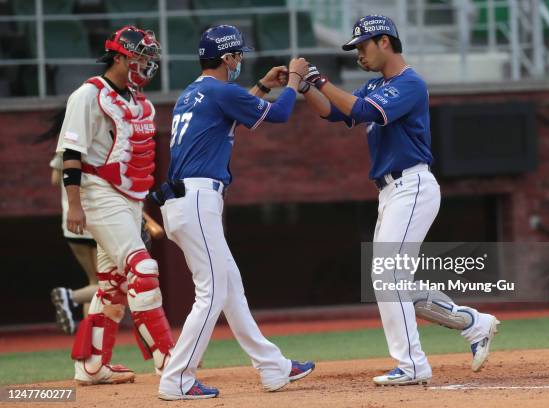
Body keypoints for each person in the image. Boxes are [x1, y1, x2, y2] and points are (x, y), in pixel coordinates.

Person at [299, 15, 500, 385]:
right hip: (391, 192)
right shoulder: (377, 84)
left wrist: (317, 78)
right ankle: (473, 323)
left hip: (413, 185)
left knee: (385, 276)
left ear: (385, 42)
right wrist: (304, 87)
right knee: (395, 281)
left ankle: (412, 365)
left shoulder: (409, 83)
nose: (359, 54)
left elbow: (362, 112)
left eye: (363, 46)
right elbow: (335, 113)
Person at [155, 25, 314, 400]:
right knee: (210, 293)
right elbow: (277, 117)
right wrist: (293, 81)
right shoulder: (218, 91)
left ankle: (272, 367)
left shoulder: (194, 92)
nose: (239, 60)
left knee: (230, 288)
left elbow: (232, 113)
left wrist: (262, 86)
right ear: (226, 58)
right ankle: (176, 379)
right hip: (196, 199)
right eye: (237, 55)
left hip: (184, 200)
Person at [55, 25, 175, 385]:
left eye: (150, 58)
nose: (147, 64)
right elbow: (71, 154)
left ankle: (91, 365)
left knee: (112, 284)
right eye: (141, 57)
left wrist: (138, 209)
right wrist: (74, 205)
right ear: (120, 56)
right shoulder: (89, 95)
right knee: (143, 270)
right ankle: (169, 361)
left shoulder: (137, 100)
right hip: (96, 194)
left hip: (128, 200)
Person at [49, 152, 98, 335]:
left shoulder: (63, 148)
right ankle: (70, 297)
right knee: (110, 284)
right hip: (95, 220)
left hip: (70, 223)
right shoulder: (98, 143)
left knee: (94, 282)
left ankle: (89, 340)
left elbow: (55, 179)